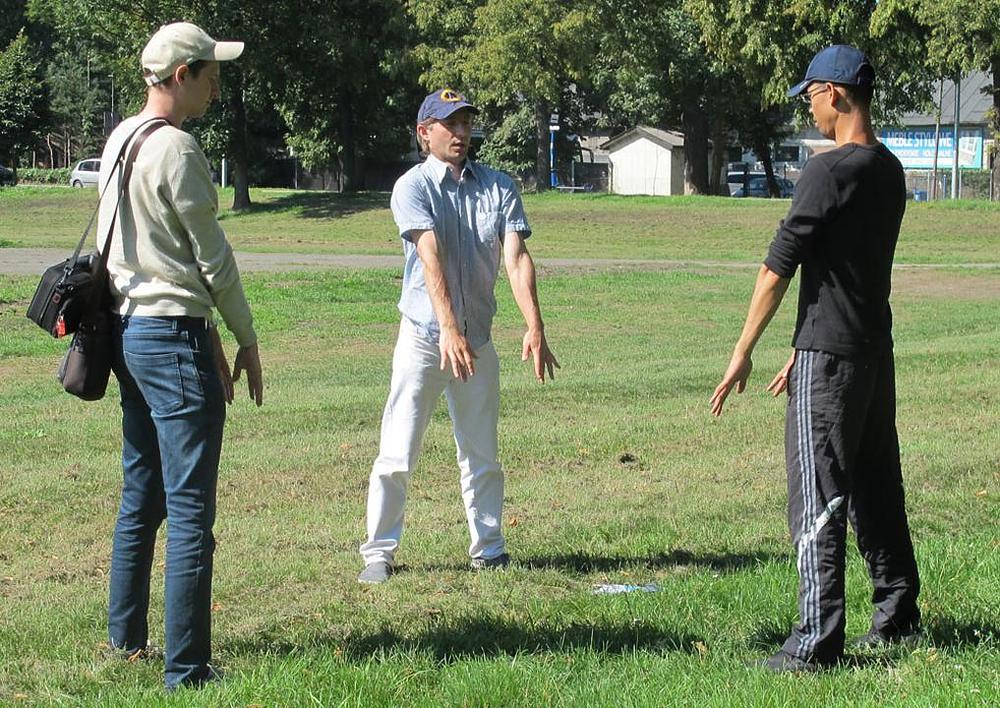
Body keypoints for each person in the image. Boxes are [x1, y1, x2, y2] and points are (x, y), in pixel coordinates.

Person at [709, 45, 920, 672]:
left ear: (834, 93)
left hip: (830, 362)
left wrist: (743, 351)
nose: (808, 107)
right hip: (869, 354)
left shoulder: (827, 172)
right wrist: (803, 348)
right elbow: (848, 275)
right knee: (877, 488)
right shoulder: (889, 170)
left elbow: (777, 269)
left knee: (818, 497)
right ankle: (898, 616)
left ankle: (815, 643)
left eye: (810, 95)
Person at [97, 22, 263, 690]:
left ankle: (125, 641)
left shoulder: (120, 138)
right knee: (191, 512)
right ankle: (187, 671)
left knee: (141, 494)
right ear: (179, 77)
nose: (216, 88)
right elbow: (211, 258)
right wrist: (245, 335)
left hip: (130, 333)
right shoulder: (178, 148)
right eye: (210, 76)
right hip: (172, 340)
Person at [358, 89, 559, 584]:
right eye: (451, 124)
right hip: (425, 339)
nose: (462, 133)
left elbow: (516, 258)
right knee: (398, 452)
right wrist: (447, 329)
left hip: (478, 341)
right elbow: (430, 255)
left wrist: (534, 324)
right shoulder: (412, 187)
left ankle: (489, 550)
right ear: (424, 133)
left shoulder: (498, 186)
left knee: (482, 454)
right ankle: (378, 554)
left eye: (467, 123)